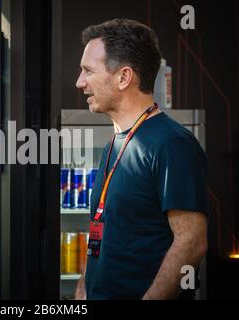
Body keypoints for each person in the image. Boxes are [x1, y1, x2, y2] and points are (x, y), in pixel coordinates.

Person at [74, 19, 208, 300]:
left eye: (88, 71)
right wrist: (83, 288)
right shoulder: (115, 142)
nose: (80, 82)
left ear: (124, 77)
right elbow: (102, 230)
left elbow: (191, 243)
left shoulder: (172, 144)